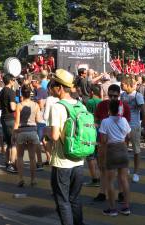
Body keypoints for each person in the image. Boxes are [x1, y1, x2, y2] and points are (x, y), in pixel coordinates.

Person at [49, 69, 84, 225]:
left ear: (60, 88)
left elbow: (55, 136)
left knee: (63, 201)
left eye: (53, 85)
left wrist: (46, 134)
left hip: (62, 162)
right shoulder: (81, 105)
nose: (52, 88)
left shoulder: (57, 107)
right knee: (74, 198)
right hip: (79, 160)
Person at [94, 84, 130, 202]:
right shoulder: (101, 105)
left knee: (120, 172)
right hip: (103, 144)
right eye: (110, 95)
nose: (112, 98)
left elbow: (126, 129)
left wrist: (126, 146)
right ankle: (102, 192)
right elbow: (96, 121)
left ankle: (120, 194)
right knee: (103, 168)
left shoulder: (124, 106)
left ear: (119, 95)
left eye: (115, 96)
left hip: (117, 145)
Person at [99, 99, 131, 216]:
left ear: (109, 109)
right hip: (123, 149)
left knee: (110, 181)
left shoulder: (105, 122)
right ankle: (126, 206)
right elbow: (129, 136)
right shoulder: (124, 120)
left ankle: (112, 209)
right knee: (124, 179)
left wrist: (102, 158)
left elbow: (103, 141)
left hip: (111, 150)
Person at [121, 76, 145, 183]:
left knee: (136, 150)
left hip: (134, 126)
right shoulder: (122, 95)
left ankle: (136, 172)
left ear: (128, 85)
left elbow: (144, 112)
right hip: (123, 126)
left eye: (123, 84)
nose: (121, 86)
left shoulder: (138, 95)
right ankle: (126, 168)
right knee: (124, 149)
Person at [14, 84, 42, 187]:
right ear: (30, 94)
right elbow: (38, 120)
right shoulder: (35, 105)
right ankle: (33, 179)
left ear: (22, 94)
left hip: (21, 131)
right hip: (32, 131)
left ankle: (20, 179)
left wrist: (14, 134)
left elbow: (17, 122)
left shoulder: (19, 105)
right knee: (32, 157)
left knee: (20, 156)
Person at [84, 84, 102, 187]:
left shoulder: (90, 102)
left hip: (92, 129)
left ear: (91, 92)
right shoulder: (101, 102)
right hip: (101, 130)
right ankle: (100, 176)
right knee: (99, 154)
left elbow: (88, 116)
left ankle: (94, 179)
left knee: (91, 156)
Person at [0, 74, 17, 173]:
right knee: (14, 143)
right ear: (10, 81)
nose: (14, 81)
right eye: (13, 80)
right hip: (10, 118)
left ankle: (7, 163)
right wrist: (19, 106)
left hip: (3, 117)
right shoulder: (11, 92)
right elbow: (13, 107)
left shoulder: (1, 91)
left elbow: (0, 106)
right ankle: (12, 165)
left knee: (8, 143)